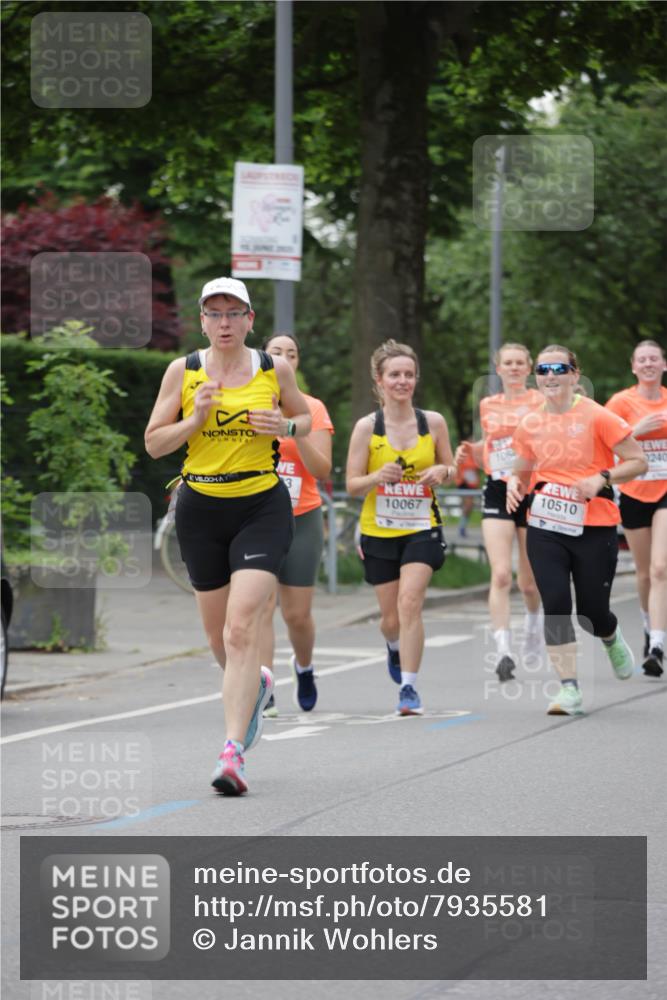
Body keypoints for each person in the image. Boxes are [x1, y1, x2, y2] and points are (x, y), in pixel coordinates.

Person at [144, 278, 311, 795]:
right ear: (202, 321)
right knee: (220, 640)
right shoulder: (184, 371)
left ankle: (232, 752)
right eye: (214, 314)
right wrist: (194, 419)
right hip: (200, 509)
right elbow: (153, 443)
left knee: (241, 630)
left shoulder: (273, 367)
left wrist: (285, 427)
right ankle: (256, 684)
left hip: (261, 505)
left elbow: (305, 417)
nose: (224, 323)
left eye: (233, 313)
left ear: (249, 320)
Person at [506, 345, 647, 715]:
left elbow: (638, 462)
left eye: (559, 369)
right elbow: (521, 470)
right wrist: (513, 484)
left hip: (594, 525)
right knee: (555, 604)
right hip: (545, 526)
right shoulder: (530, 423)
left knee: (592, 612)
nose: (550, 376)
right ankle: (569, 688)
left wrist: (602, 477)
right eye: (543, 370)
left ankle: (610, 635)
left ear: (574, 374)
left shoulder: (598, 416)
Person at [345, 339, 456, 715]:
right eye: (394, 375)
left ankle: (409, 688)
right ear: (379, 380)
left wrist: (443, 471)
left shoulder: (433, 423)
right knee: (390, 619)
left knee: (410, 602)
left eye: (409, 374)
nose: (403, 381)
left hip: (422, 526)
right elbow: (352, 484)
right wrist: (377, 476)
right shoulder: (367, 428)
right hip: (378, 530)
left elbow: (452, 469)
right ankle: (394, 646)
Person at [455, 344, 544, 682]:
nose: (514, 367)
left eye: (520, 362)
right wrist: (471, 451)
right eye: (508, 363)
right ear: (498, 368)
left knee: (529, 584)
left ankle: (533, 625)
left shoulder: (540, 401)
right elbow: (490, 450)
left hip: (530, 490)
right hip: (497, 488)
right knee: (502, 574)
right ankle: (504, 650)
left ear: (529, 368)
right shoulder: (487, 405)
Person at [257, 333, 334, 715]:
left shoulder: (312, 408)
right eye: (276, 352)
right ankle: (264, 688)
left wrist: (292, 428)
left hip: (302, 517)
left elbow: (322, 469)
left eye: (292, 353)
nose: (284, 358)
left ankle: (304, 668)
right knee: (261, 606)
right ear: (263, 358)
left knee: (296, 616)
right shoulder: (248, 402)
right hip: (256, 516)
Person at [605, 340, 667, 676]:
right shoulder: (620, 402)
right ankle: (647, 626)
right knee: (644, 574)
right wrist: (634, 431)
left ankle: (657, 645)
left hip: (665, 490)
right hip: (634, 492)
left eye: (653, 358)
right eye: (642, 359)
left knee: (660, 568)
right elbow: (603, 443)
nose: (648, 364)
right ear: (633, 366)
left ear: (663, 365)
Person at [453, 448, 480, 538]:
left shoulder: (474, 454)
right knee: (468, 506)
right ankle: (462, 527)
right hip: (464, 483)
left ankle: (462, 527)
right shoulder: (462, 454)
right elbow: (458, 468)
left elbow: (476, 468)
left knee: (469, 507)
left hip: (471, 484)